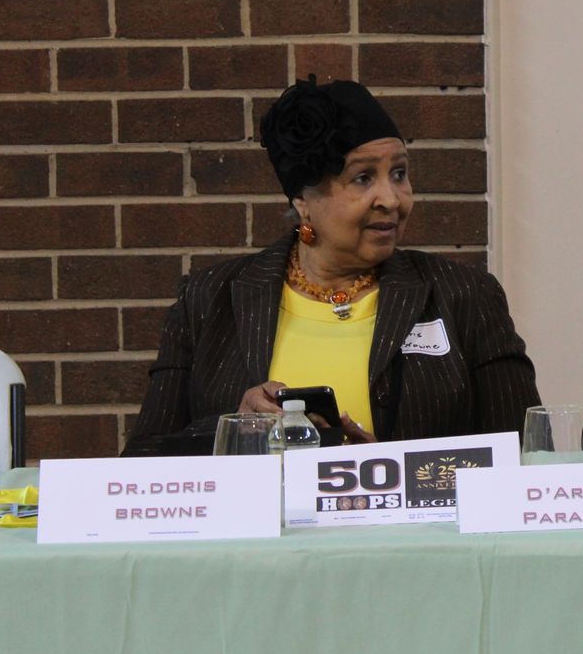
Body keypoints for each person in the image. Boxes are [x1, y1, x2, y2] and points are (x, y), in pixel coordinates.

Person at [128, 76, 540, 449]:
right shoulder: (207, 298)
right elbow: (144, 460)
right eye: (363, 178)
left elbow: (526, 456)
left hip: (415, 533)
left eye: (399, 173)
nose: (392, 199)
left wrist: (384, 470)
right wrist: (236, 431)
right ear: (304, 201)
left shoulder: (464, 294)